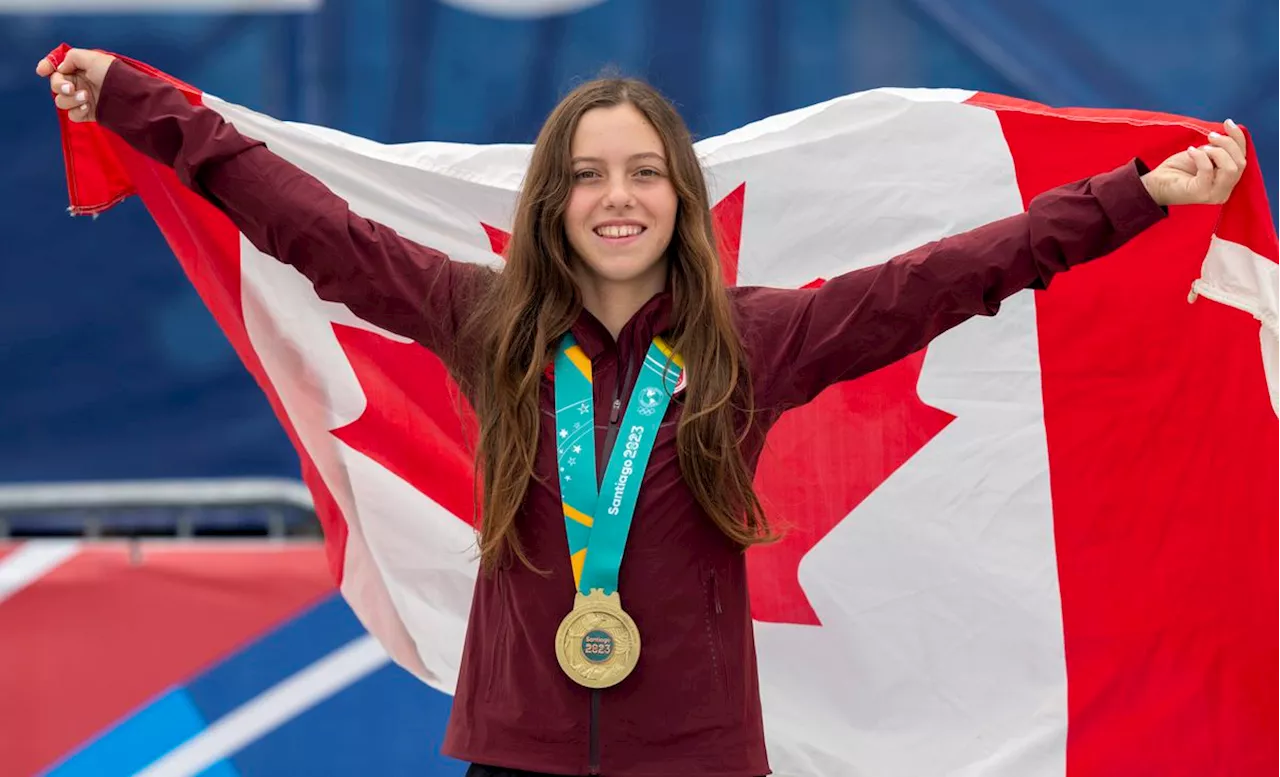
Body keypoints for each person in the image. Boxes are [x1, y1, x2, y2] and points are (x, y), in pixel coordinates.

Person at [37, 47, 1247, 777]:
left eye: (642, 172)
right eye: (585, 175)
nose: (615, 198)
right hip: (517, 750)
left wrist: (1135, 194)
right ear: (552, 202)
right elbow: (305, 222)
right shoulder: (486, 320)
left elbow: (952, 275)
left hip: (699, 760)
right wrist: (138, 101)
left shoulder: (753, 342)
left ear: (678, 194)